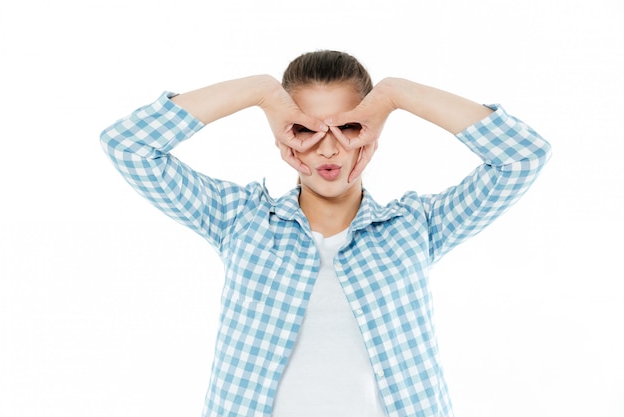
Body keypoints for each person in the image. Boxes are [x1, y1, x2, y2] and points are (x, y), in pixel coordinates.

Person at [100, 50, 551, 417]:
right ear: (282, 135)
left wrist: (396, 95)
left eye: (348, 126)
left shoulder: (416, 228)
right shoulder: (238, 220)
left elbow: (522, 156)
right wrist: (260, 91)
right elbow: (129, 145)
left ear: (372, 133)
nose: (329, 147)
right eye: (306, 129)